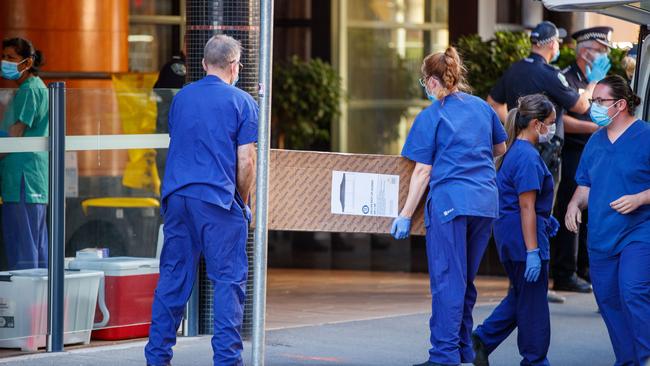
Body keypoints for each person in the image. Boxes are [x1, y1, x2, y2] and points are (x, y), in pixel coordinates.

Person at [144, 34, 258, 366]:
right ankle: (226, 361)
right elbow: (247, 161)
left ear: (205, 64)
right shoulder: (242, 102)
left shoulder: (181, 98)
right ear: (235, 66)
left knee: (173, 277)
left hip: (178, 199)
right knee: (227, 281)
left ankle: (157, 358)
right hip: (218, 201)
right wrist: (243, 201)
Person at [390, 46, 507, 366]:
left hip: (450, 205)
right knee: (465, 280)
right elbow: (500, 146)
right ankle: (463, 352)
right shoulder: (482, 108)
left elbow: (423, 171)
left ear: (430, 81)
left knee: (447, 281)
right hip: (484, 203)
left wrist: (403, 214)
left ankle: (443, 356)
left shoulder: (431, 116)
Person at [488, 21, 609, 294]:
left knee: (521, 206)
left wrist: (510, 129)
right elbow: (579, 105)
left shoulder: (515, 69)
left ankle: (521, 278)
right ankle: (537, 274)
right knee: (540, 209)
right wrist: (592, 83)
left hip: (517, 145)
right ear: (551, 43)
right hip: (545, 153)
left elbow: (492, 104)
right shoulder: (549, 73)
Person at [566, 75, 650, 366]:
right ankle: (628, 360)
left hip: (638, 231)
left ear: (621, 104)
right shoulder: (595, 142)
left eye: (600, 101)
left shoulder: (646, 136)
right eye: (593, 101)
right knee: (609, 301)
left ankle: (646, 356)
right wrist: (573, 205)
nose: (594, 107)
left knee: (633, 291)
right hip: (601, 234)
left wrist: (640, 198)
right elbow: (585, 184)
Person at [472, 94, 559, 366]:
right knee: (533, 305)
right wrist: (533, 250)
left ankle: (482, 340)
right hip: (524, 240)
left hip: (510, 237)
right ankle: (534, 360)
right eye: (551, 123)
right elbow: (526, 207)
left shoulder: (515, 153)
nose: (553, 129)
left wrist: (546, 219)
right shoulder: (527, 158)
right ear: (536, 124)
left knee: (520, 295)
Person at [553, 27, 613, 288]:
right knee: (572, 207)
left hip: (597, 152)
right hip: (574, 151)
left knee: (594, 210)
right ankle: (566, 272)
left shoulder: (600, 81)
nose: (603, 56)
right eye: (600, 51)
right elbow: (559, 118)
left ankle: (586, 269)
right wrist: (593, 128)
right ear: (585, 52)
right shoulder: (565, 78)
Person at [0, 37, 48, 270]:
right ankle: (39, 304)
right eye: (4, 57)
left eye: (11, 58)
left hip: (24, 181)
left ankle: (29, 305)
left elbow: (14, 134)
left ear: (27, 62)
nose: (5, 62)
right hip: (24, 181)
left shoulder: (31, 91)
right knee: (34, 246)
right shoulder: (29, 89)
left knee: (24, 250)